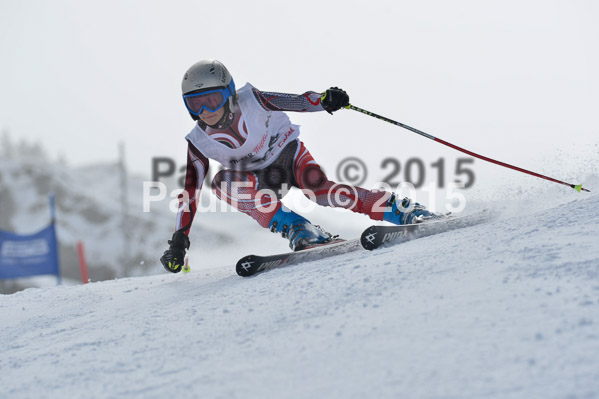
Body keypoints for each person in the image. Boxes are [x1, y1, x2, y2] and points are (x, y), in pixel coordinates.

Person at [160, 59, 439, 273]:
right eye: (195, 104)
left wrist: (325, 100)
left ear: (229, 93)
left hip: (289, 156)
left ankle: (400, 210)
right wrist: (179, 240)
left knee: (322, 191)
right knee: (222, 184)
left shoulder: (252, 100)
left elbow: (296, 101)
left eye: (212, 100)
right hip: (258, 181)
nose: (206, 112)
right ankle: (301, 230)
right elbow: (190, 190)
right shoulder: (198, 141)